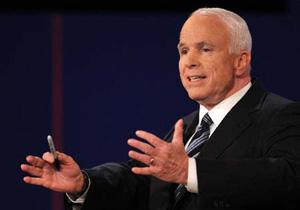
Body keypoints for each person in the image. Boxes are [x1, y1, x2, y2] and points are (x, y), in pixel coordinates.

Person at [21, 7, 300, 210]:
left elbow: (286, 180)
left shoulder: (281, 116)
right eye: (183, 50)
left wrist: (189, 172)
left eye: (204, 49)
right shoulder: (189, 127)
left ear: (240, 61)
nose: (188, 62)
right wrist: (83, 183)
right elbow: (142, 182)